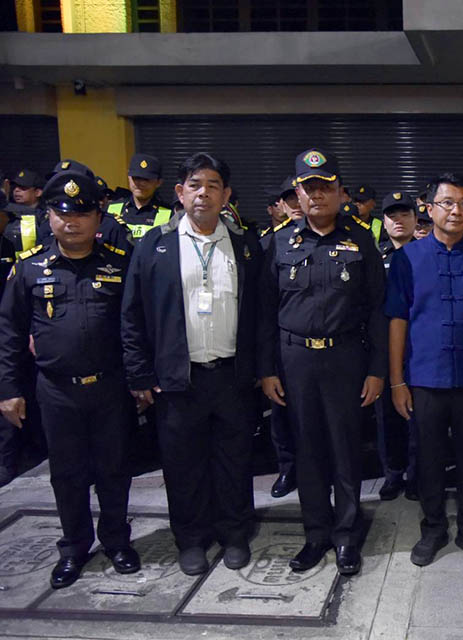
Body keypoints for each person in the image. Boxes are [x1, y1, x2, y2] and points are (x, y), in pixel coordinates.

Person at [122, 152, 261, 577]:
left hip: (231, 376)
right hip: (177, 380)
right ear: (180, 193)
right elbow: (132, 315)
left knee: (234, 460)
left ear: (226, 195)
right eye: (195, 185)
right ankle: (191, 539)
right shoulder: (155, 245)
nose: (204, 193)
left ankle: (235, 532)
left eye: (213, 185)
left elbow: (261, 312)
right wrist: (140, 374)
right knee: (183, 465)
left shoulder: (245, 244)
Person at [0, 171, 139, 588]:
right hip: (56, 390)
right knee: (67, 473)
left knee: (115, 469)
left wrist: (140, 379)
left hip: (111, 387)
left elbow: (136, 327)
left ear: (98, 217)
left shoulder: (119, 264)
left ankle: (116, 540)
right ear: (49, 216)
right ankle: (75, 547)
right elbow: (9, 334)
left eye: (81, 213)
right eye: (62, 213)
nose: (71, 222)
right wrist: (8, 390)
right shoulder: (30, 269)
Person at [259, 149, 385, 576]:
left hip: (345, 358)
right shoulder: (278, 243)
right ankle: (315, 534)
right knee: (307, 450)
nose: (316, 195)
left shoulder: (361, 240)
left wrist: (377, 370)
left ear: (339, 192)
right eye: (308, 188)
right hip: (294, 359)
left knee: (345, 449)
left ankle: (347, 534)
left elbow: (378, 310)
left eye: (324, 187)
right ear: (296, 194)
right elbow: (263, 313)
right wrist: (267, 370)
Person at [385, 172, 463, 568]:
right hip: (425, 379)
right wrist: (397, 381)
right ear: (429, 208)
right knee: (428, 459)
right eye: (447, 203)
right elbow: (397, 321)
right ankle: (433, 528)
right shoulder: (408, 258)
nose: (456, 211)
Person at [257, 175, 303, 499]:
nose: (297, 204)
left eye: (299, 197)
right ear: (282, 205)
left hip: (318, 349)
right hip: (280, 346)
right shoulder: (268, 243)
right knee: (282, 415)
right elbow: (261, 307)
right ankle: (288, 469)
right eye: (290, 199)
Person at [376, 191, 419, 501]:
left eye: (405, 214)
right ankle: (392, 473)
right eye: (392, 215)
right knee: (387, 416)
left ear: (416, 219)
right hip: (385, 347)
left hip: (419, 348)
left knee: (419, 417)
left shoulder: (427, 254)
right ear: (384, 222)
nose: (399, 220)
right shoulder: (375, 258)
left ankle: (417, 474)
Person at [106, 153, 172, 244]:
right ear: (128, 177)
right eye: (136, 178)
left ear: (159, 182)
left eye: (146, 179)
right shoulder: (110, 209)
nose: (140, 183)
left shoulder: (169, 214)